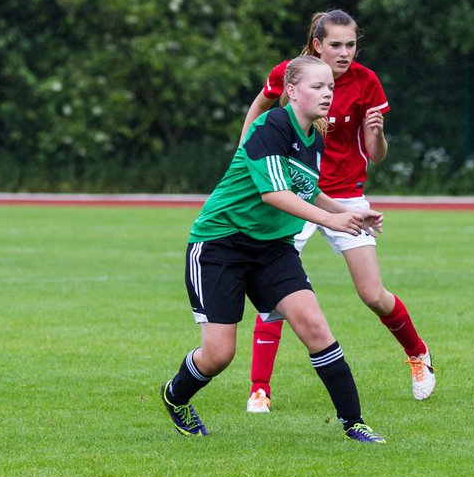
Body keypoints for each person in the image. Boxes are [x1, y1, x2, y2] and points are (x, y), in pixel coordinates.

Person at [161, 55, 387, 443]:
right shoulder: (271, 126)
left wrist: (351, 212)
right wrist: (329, 221)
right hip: (220, 245)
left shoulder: (314, 136)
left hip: (272, 249)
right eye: (317, 86)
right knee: (218, 355)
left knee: (315, 326)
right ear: (292, 91)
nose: (327, 93)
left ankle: (354, 422)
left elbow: (307, 190)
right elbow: (273, 193)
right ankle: (175, 396)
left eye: (330, 87)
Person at [240, 10, 434, 413]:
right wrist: (245, 154)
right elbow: (260, 105)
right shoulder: (290, 74)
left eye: (350, 45)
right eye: (336, 45)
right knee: (276, 292)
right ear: (317, 46)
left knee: (373, 295)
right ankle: (260, 388)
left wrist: (377, 135)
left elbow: (376, 156)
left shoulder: (366, 82)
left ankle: (418, 354)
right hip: (295, 195)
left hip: (345, 197)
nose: (345, 53)